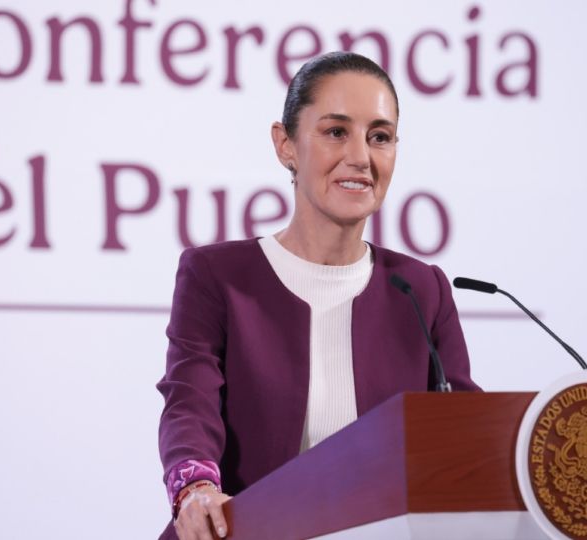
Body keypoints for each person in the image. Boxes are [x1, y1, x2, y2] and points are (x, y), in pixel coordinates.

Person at [157, 51, 480, 540]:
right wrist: (196, 488)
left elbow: (466, 435)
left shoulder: (422, 290)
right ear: (285, 146)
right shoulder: (216, 276)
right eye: (335, 132)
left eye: (380, 137)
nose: (360, 157)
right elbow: (189, 403)